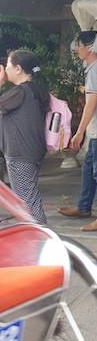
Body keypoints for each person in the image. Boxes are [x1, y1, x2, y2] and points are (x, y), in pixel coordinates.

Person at [57, 31, 97, 232]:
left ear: (90, 47)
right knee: (88, 169)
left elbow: (91, 104)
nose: (77, 49)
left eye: (80, 45)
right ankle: (84, 207)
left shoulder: (95, 71)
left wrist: (79, 132)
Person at [0, 50, 49, 224]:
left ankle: (42, 239)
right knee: (27, 197)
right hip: (31, 151)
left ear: (18, 69)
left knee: (28, 200)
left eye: (7, 65)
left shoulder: (20, 92)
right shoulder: (34, 88)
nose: (5, 69)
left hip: (20, 154)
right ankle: (38, 237)